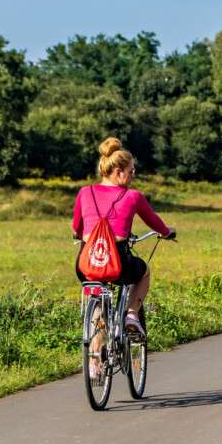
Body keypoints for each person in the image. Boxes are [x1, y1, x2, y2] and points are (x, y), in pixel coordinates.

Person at [73, 137, 175, 340]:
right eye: (131, 171)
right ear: (119, 172)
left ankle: (94, 363)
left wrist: (79, 234)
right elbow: (153, 221)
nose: (133, 176)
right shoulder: (133, 196)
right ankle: (131, 315)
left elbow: (77, 225)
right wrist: (166, 232)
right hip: (117, 262)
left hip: (86, 263)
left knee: (97, 300)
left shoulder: (85, 192)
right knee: (144, 272)